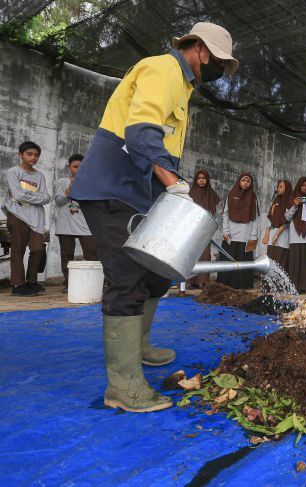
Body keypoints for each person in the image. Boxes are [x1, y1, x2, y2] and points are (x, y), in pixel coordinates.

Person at [69, 22, 239, 412]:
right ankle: (123, 387)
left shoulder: (183, 87)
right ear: (197, 48)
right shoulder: (162, 69)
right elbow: (141, 131)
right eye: (218, 61)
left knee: (158, 271)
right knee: (127, 277)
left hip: (141, 192)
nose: (219, 71)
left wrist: (166, 188)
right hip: (114, 187)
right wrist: (173, 180)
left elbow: (161, 142)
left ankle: (140, 346)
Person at [2, 141, 50, 297]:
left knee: (37, 249)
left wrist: (29, 197)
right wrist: (37, 197)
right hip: (17, 215)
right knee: (18, 250)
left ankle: (31, 281)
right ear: (20, 155)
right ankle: (18, 285)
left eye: (36, 155)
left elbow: (47, 198)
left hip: (36, 218)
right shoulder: (13, 172)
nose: (33, 158)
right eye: (29, 154)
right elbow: (18, 195)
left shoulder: (40, 176)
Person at [53, 154, 98, 293]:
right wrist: (68, 192)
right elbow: (58, 202)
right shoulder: (61, 182)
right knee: (67, 255)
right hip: (65, 225)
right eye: (75, 167)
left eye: (81, 167)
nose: (78, 170)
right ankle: (69, 283)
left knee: (92, 253)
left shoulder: (91, 182)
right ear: (69, 167)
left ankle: (94, 282)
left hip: (86, 225)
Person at [218, 173, 258, 289]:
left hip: (246, 234)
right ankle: (226, 284)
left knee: (243, 260)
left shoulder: (253, 197)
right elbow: (225, 215)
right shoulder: (231, 195)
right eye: (243, 181)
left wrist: (253, 235)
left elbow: (255, 217)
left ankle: (242, 285)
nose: (245, 183)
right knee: (228, 259)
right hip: (231, 233)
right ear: (239, 182)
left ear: (251, 184)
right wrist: (225, 231)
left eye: (248, 181)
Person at [186, 169, 220, 289]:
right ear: (196, 180)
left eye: (204, 178)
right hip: (192, 228)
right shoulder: (190, 194)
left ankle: (204, 280)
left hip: (205, 228)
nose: (201, 180)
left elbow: (213, 213)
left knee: (205, 254)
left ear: (207, 180)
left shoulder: (211, 194)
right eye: (199, 178)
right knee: (191, 253)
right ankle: (191, 281)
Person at [286, 176, 306, 293]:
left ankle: (304, 286)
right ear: (299, 186)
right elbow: (287, 218)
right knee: (295, 262)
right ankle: (294, 287)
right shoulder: (291, 199)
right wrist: (294, 206)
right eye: (303, 185)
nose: (305, 188)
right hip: (295, 235)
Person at [262, 179, 293, 271]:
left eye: (280, 187)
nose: (278, 189)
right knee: (270, 258)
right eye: (278, 187)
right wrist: (267, 234)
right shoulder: (276, 201)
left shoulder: (290, 201)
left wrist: (277, 235)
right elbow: (270, 218)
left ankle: (279, 285)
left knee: (281, 259)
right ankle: (268, 284)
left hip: (284, 235)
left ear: (286, 188)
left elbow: (287, 221)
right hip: (273, 232)